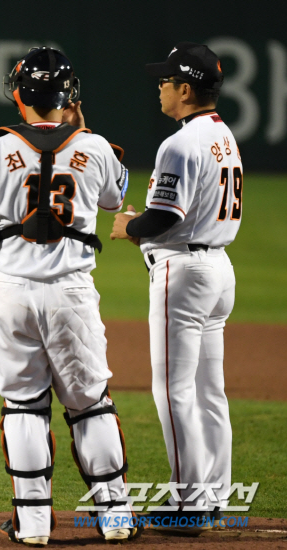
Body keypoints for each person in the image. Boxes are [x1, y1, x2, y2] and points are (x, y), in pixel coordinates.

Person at [0, 47, 138, 545]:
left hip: (10, 293)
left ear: (17, 95)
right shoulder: (95, 147)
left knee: (22, 406)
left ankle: (33, 524)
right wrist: (84, 127)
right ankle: (115, 516)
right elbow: (117, 196)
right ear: (69, 96)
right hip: (71, 294)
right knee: (90, 405)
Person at [111, 42, 239, 534]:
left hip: (183, 273)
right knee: (209, 391)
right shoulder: (222, 135)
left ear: (186, 89)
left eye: (166, 81)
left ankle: (189, 503)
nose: (160, 87)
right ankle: (216, 495)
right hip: (218, 269)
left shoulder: (180, 143)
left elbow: (166, 215)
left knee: (173, 391)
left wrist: (130, 228)